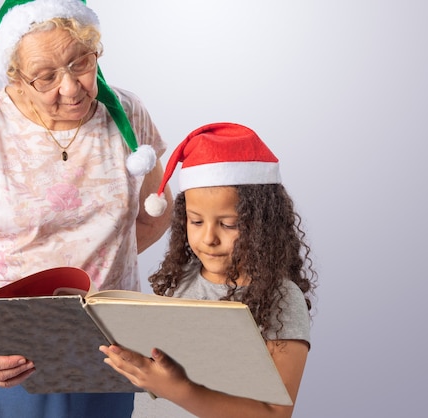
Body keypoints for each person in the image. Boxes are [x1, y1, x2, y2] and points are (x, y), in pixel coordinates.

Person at [0, 0, 173, 417]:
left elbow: (154, 213)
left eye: (81, 63)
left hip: (102, 347)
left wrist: (101, 264)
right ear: (16, 78)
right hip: (5, 353)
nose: (72, 87)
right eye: (46, 77)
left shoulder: (128, 114)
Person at [100, 122, 317, 418]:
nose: (209, 239)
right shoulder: (179, 282)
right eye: (196, 221)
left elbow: (276, 414)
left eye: (229, 224)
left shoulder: (280, 299)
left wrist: (179, 389)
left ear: (264, 225)